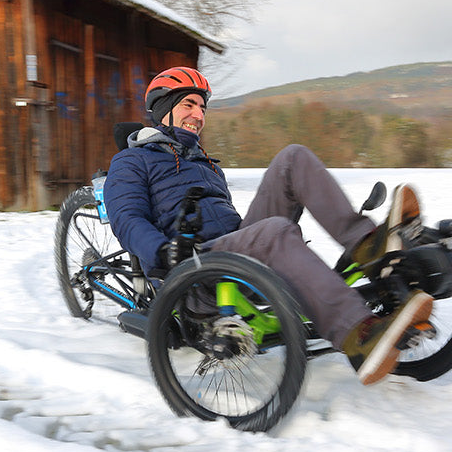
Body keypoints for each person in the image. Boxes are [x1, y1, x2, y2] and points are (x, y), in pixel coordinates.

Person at [104, 66, 434, 385]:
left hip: (232, 251)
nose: (199, 115)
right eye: (188, 105)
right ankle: (357, 336)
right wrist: (162, 251)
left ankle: (368, 246)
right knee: (274, 231)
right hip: (191, 268)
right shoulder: (132, 161)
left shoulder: (207, 165)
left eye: (202, 107)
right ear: (163, 110)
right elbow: (126, 218)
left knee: (293, 158)